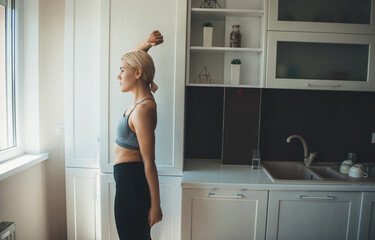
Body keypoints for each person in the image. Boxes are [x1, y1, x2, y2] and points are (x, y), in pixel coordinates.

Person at [113, 30, 164, 239]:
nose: (118, 75)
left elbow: (149, 162)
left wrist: (156, 205)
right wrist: (148, 42)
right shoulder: (139, 100)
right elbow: (132, 58)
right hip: (126, 180)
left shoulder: (143, 109)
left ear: (138, 73)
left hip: (132, 183)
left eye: (122, 70)